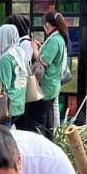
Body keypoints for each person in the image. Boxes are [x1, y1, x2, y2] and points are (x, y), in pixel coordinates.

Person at [23, 11, 69, 140]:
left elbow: (44, 62)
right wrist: (41, 47)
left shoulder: (55, 40)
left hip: (46, 87)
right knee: (48, 122)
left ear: (48, 24)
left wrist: (35, 49)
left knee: (37, 121)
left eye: (44, 23)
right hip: (52, 86)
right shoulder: (58, 38)